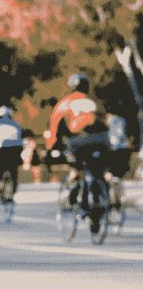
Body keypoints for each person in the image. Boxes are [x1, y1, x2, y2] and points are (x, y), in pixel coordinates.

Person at [45, 73, 109, 222]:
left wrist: (50, 151)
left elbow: (54, 130)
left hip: (79, 141)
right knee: (97, 170)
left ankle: (80, 200)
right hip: (102, 139)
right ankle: (103, 199)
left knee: (79, 167)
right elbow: (105, 120)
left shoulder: (64, 103)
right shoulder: (95, 101)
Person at [0, 106, 23, 217]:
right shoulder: (16, 124)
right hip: (14, 153)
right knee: (14, 175)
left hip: (0, 153)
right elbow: (19, 140)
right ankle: (12, 195)